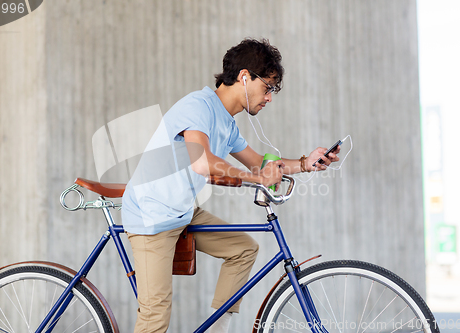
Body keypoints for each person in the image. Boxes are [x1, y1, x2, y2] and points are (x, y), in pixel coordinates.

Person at [122, 38, 339, 333]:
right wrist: (258, 179)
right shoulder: (197, 106)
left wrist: (305, 163)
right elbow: (204, 163)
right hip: (152, 215)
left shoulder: (227, 122)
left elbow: (259, 163)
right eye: (268, 87)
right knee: (156, 314)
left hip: (182, 211)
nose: (270, 98)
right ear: (245, 76)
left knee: (243, 249)